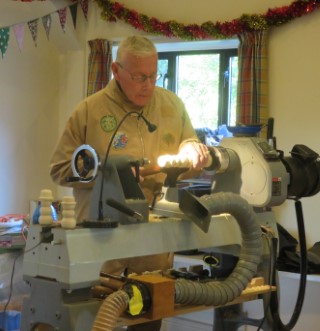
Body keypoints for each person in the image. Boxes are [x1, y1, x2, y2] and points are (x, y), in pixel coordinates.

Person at [50, 35, 210, 331]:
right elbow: (60, 169)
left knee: (148, 323)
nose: (148, 85)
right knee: (95, 321)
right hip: (101, 248)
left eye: (154, 75)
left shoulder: (172, 106)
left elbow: (188, 149)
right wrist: (108, 173)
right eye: (139, 77)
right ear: (115, 70)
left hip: (152, 248)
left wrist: (192, 150)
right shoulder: (89, 111)